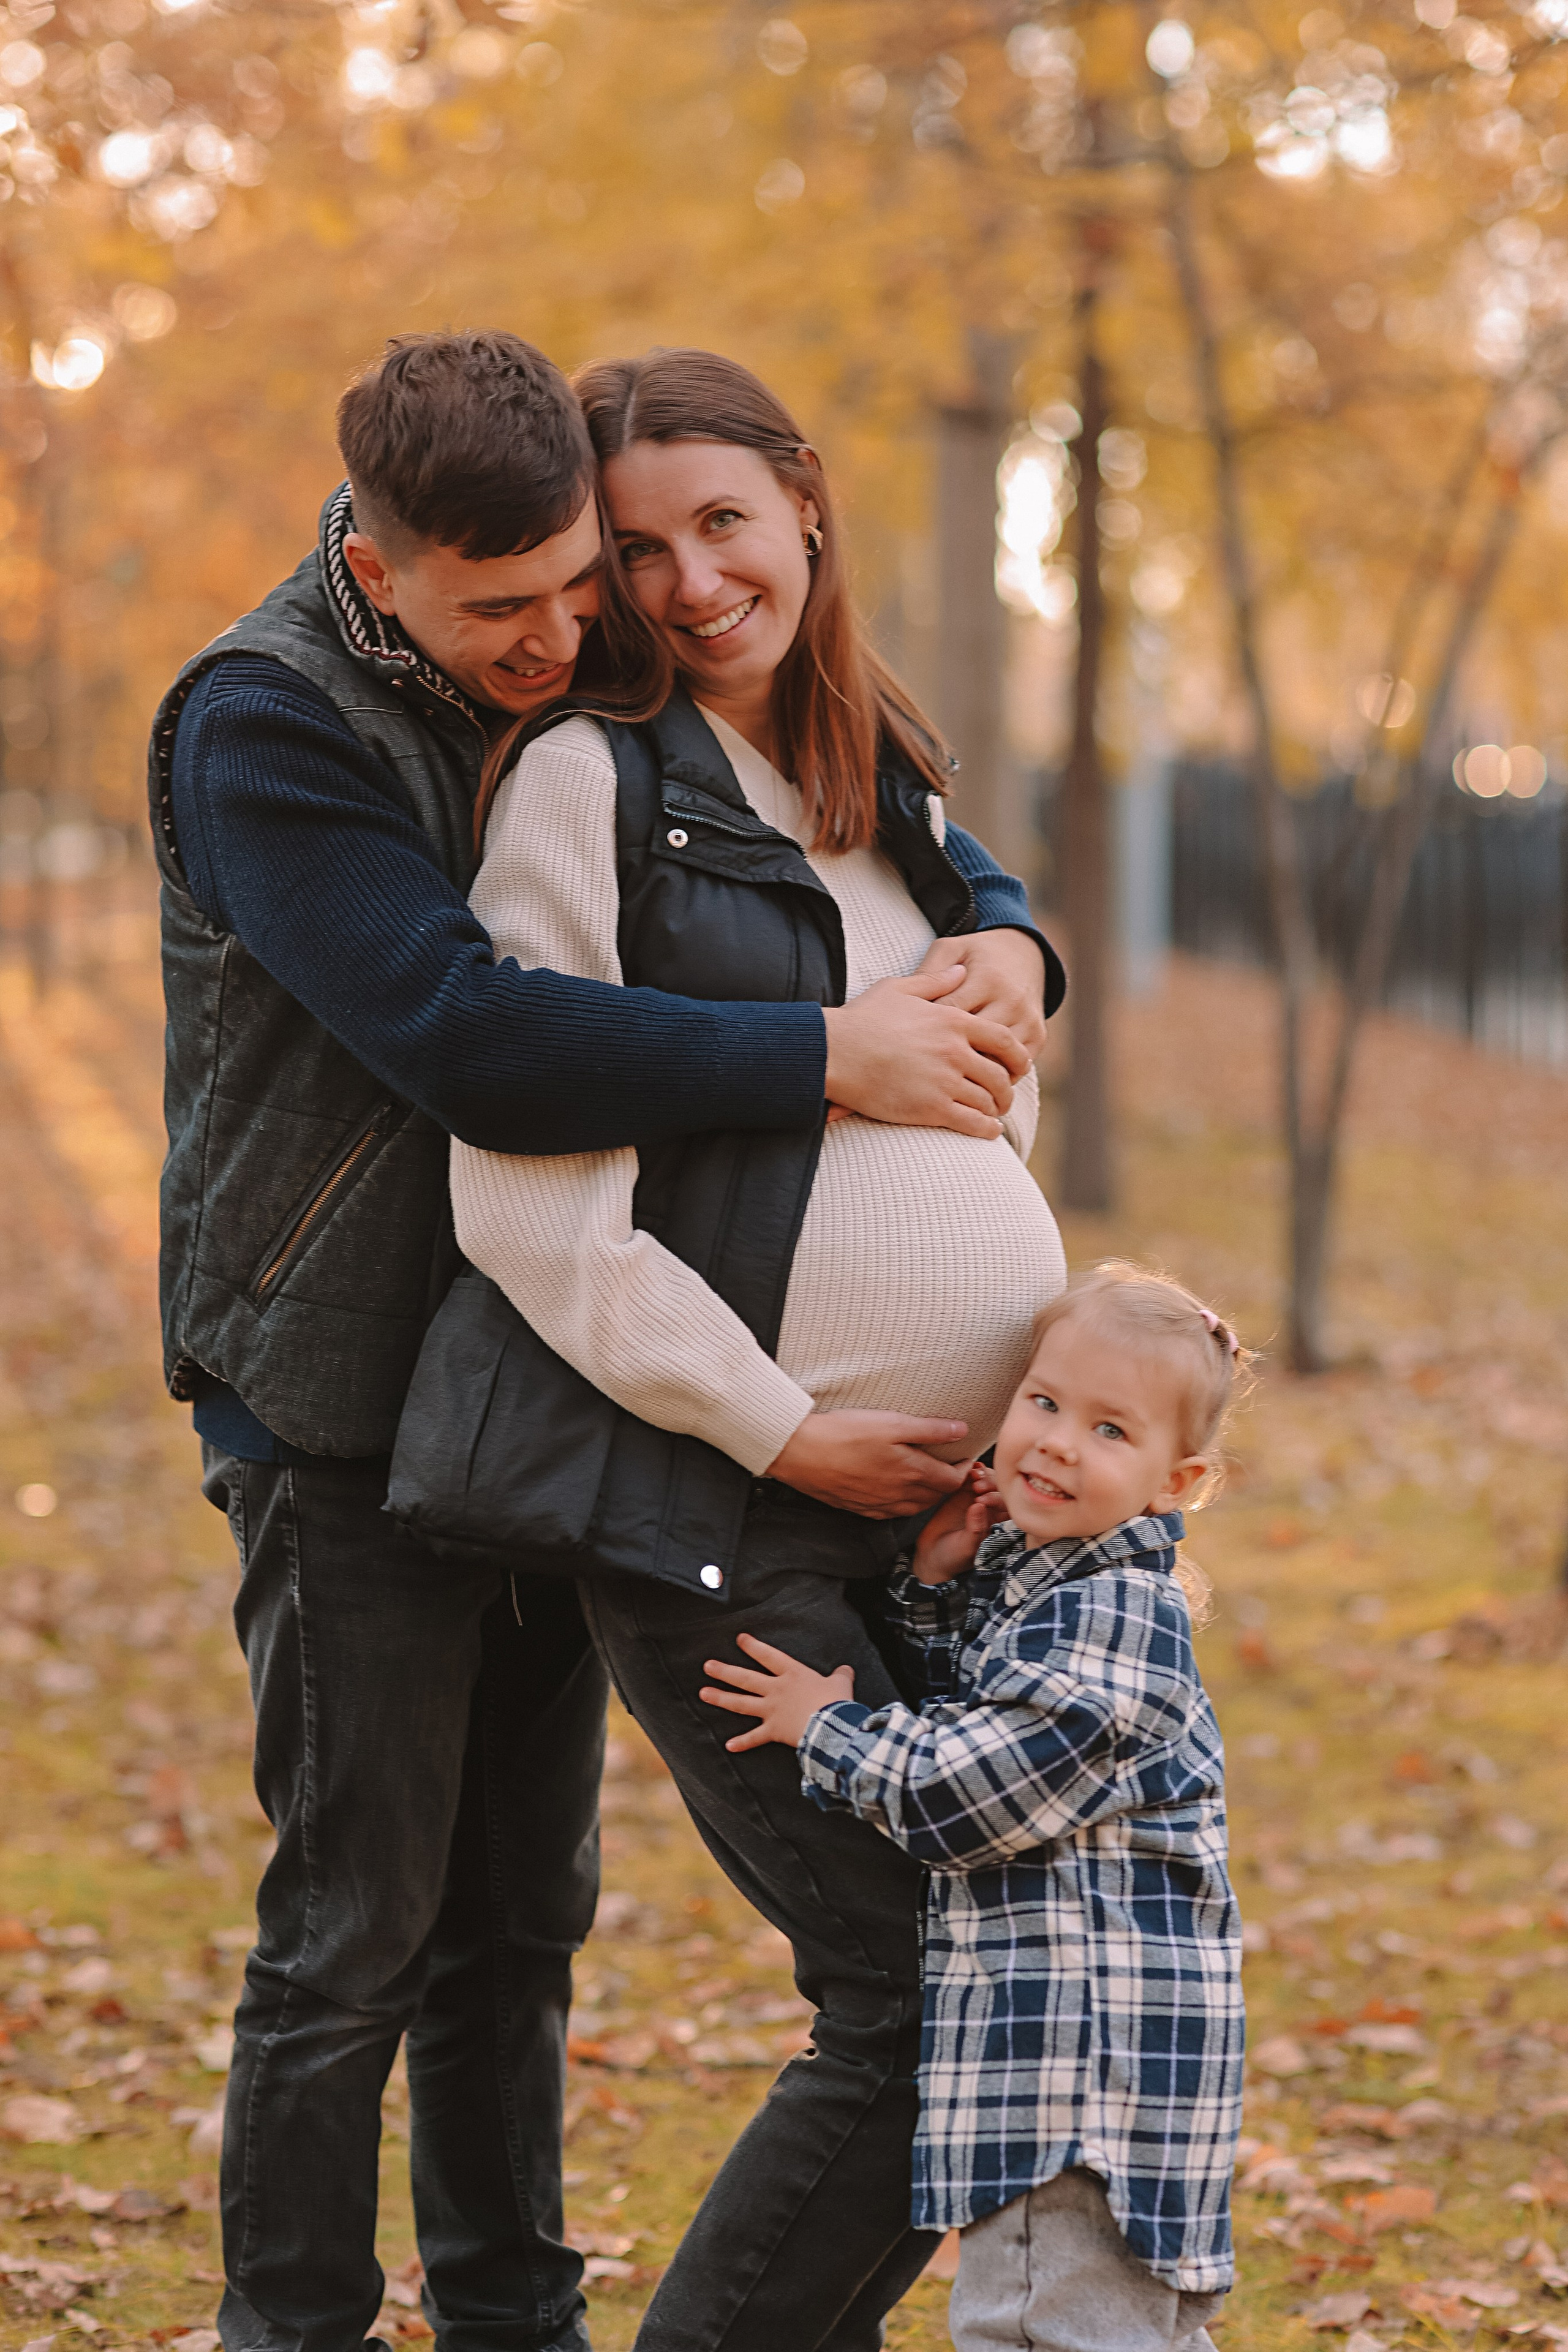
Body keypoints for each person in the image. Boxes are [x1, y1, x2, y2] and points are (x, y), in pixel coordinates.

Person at [149, 331, 1055, 2352]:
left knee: (518, 1917)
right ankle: (292, 2330)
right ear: (379, 572)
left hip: (538, 1398)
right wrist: (828, 1059)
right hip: (336, 1387)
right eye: (510, 608)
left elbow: (885, 824)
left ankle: (514, 2322)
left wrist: (1014, 933)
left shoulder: (588, 671)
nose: (567, 635)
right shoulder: (266, 725)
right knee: (357, 1931)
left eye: (587, 579)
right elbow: (474, 1039)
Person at [700, 1262, 1248, 2352]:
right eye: (1044, 1402)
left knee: (1038, 2330)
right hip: (1080, 2073)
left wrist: (829, 1727)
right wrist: (938, 1586)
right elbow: (988, 1708)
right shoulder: (1058, 1591)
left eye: (1109, 1429)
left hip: (1079, 2080)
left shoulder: (1115, 1615)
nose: (1056, 1443)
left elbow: (973, 1793)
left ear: (1176, 1482)